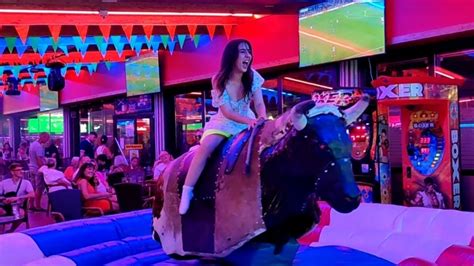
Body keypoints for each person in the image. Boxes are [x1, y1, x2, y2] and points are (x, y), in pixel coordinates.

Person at [179, 39, 267, 214]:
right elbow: (226, 112)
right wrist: (249, 121)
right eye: (242, 51)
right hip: (225, 122)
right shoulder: (219, 80)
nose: (247, 55)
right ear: (231, 56)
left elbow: (258, 104)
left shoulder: (253, 76)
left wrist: (262, 118)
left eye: (249, 52)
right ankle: (187, 191)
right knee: (207, 148)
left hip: (247, 119)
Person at [0, 163, 35, 232]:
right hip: (5, 205)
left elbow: (32, 194)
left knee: (21, 214)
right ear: (12, 172)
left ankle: (11, 230)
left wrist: (17, 198)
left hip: (17, 206)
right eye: (18, 170)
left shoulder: (26, 182)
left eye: (21, 169)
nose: (21, 171)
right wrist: (4, 200)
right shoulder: (4, 182)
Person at [29, 132, 50, 211]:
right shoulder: (39, 147)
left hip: (32, 168)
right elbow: (39, 159)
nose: (48, 140)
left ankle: (31, 205)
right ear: (43, 137)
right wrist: (44, 169)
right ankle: (37, 206)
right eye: (47, 138)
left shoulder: (32, 144)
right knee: (39, 188)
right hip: (38, 169)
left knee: (32, 188)